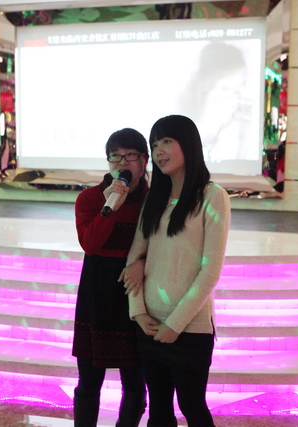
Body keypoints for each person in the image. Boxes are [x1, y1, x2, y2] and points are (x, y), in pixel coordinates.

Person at [120, 115, 231, 426]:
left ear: (188, 144)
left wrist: (175, 324)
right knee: (158, 411)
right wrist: (138, 312)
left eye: (167, 142)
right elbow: (134, 259)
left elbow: (210, 271)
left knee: (192, 406)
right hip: (149, 326)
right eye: (155, 144)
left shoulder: (213, 196)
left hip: (191, 329)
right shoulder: (155, 198)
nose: (159, 151)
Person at [72, 128, 149, 427]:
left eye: (130, 156)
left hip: (137, 295)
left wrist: (141, 263)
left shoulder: (154, 201)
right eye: (115, 156)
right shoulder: (90, 199)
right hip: (97, 296)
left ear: (144, 161)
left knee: (135, 384)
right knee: (89, 383)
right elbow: (91, 244)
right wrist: (112, 206)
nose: (122, 163)